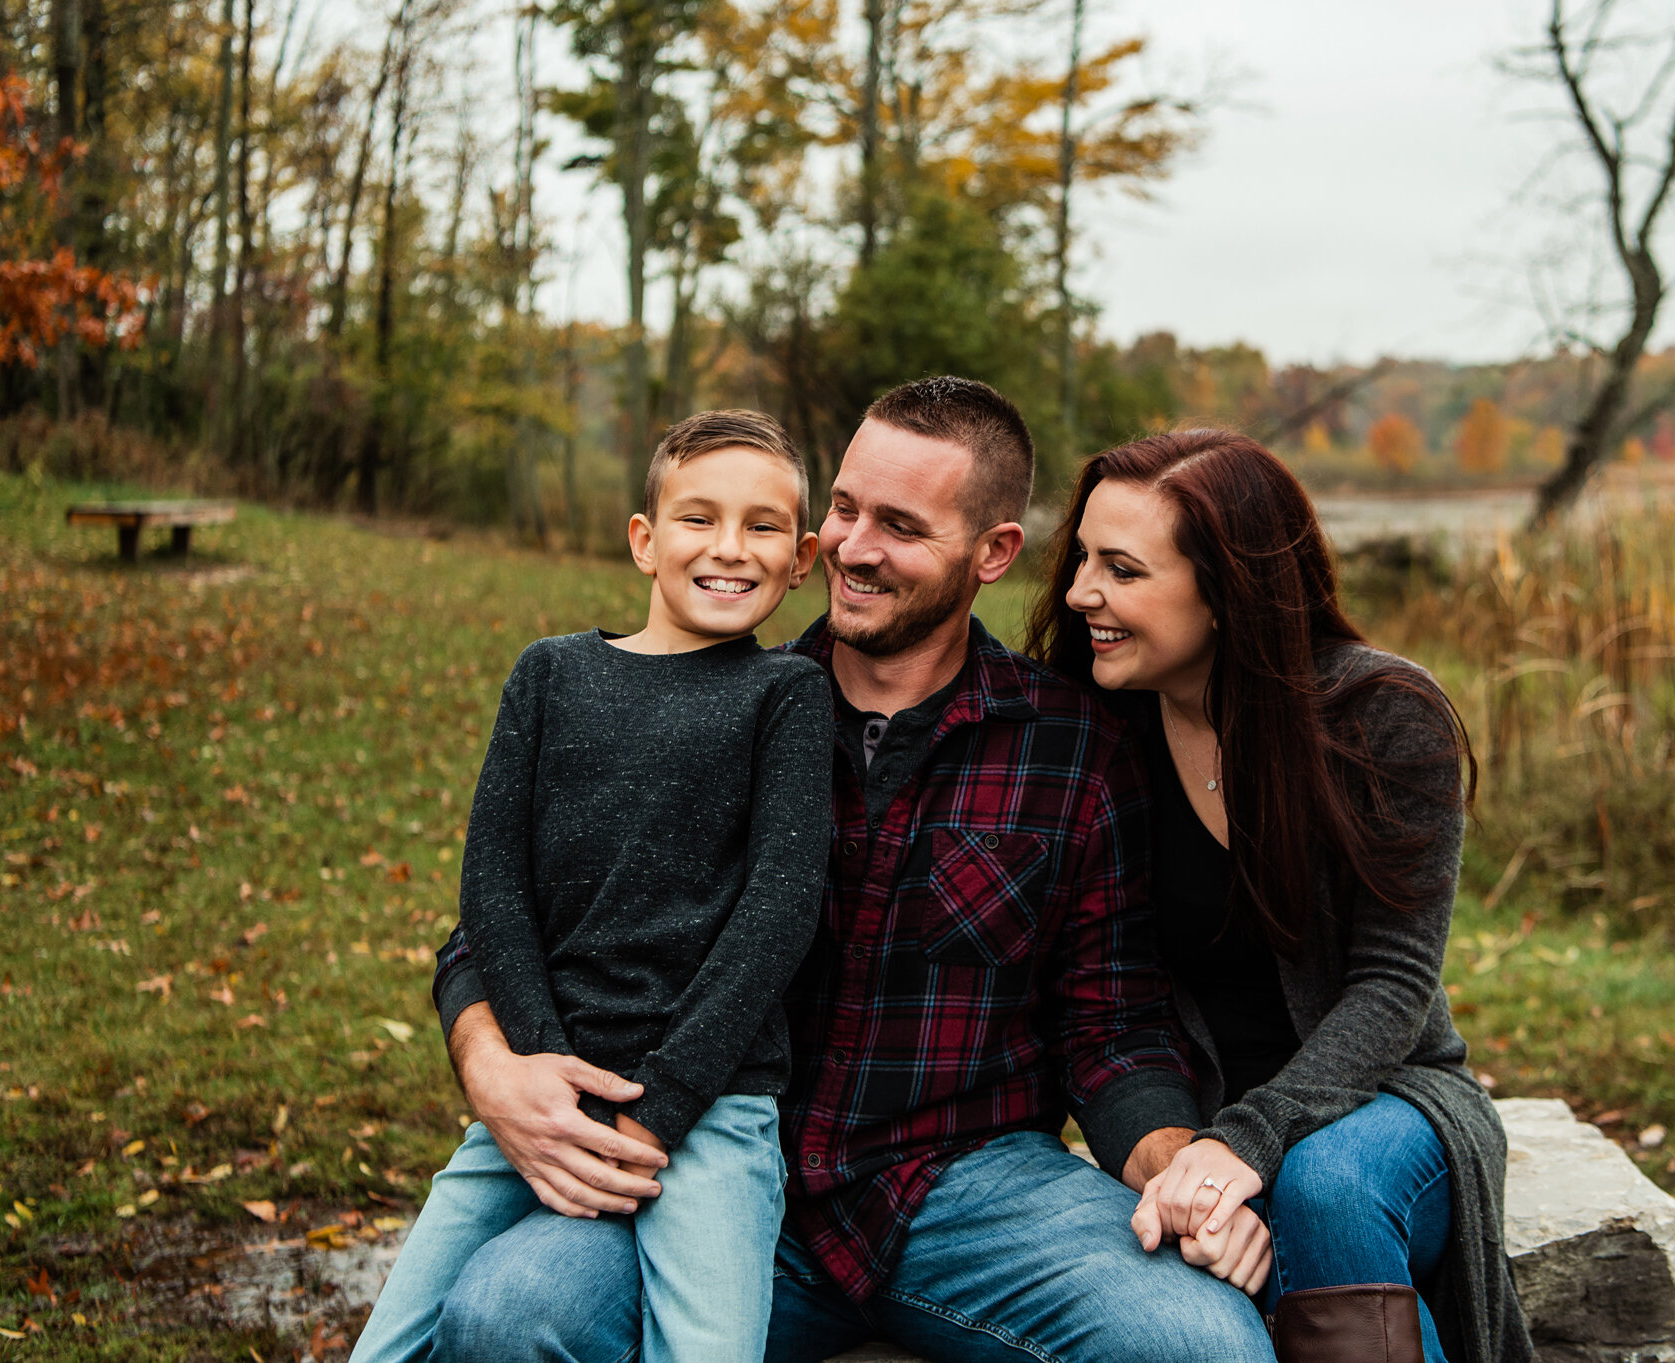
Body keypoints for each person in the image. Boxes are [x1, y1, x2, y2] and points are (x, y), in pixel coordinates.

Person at [423, 379, 1277, 1363]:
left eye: (901, 526)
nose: (853, 547)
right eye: (842, 509)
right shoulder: (718, 708)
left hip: (970, 1190)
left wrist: (1180, 1173)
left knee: (1200, 1342)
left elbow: (1109, 1019)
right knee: (506, 1313)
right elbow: (507, 916)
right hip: (713, 1158)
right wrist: (491, 1066)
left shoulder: (1073, 745)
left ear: (991, 553)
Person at [1025, 429, 1534, 1363]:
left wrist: (1246, 1147)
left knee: (1326, 1186)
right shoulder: (1098, 734)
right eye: (1084, 557)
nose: (1079, 593)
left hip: (1385, 1104)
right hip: (1196, 1132)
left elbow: (1391, 986)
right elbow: (1099, 1002)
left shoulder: (1379, 717)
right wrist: (1180, 1165)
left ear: (1227, 590)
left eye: (1123, 569)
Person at [351, 411, 833, 1363]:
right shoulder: (549, 674)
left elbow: (778, 915)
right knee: (390, 1342)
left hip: (712, 1111)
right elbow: (491, 890)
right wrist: (541, 1080)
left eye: (764, 526)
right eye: (698, 519)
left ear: (804, 555)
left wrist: (660, 1108)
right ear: (645, 541)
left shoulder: (785, 696)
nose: (729, 548)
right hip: (542, 1096)